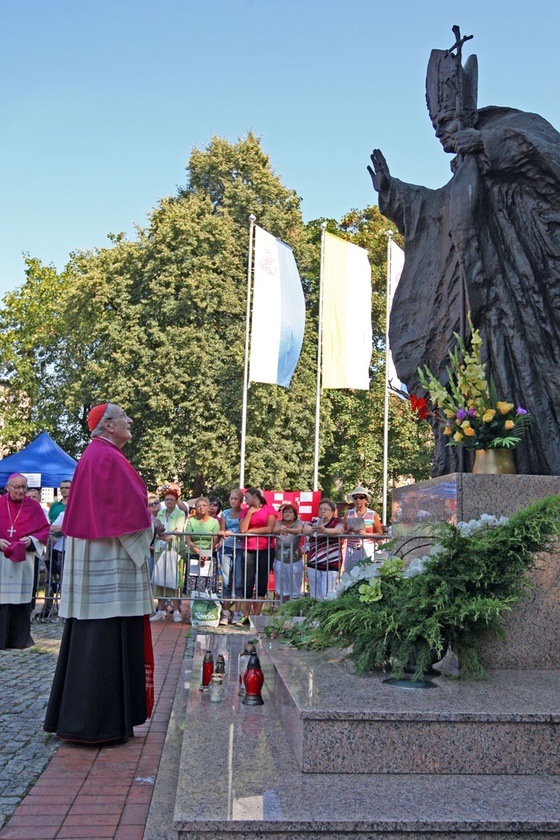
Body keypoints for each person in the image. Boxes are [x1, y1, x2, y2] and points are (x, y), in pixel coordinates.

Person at [368, 33, 560, 477]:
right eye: (438, 131)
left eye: (450, 127)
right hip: (466, 318)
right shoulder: (458, 178)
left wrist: (483, 145)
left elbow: (544, 160)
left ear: (469, 116)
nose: (444, 137)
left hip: (513, 307)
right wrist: (394, 194)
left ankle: (527, 466)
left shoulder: (505, 139)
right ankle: (468, 460)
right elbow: (435, 212)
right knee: (466, 384)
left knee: (518, 381)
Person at [44, 403, 154, 745]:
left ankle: (91, 719)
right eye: (125, 417)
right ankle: (100, 723)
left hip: (98, 558)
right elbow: (126, 516)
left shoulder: (97, 455)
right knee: (105, 637)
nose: (130, 420)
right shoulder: (106, 458)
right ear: (108, 426)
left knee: (93, 637)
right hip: (107, 563)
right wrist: (152, 528)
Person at [0, 473, 50, 649]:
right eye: (17, 487)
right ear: (8, 487)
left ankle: (20, 639)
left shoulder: (33, 507)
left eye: (24, 487)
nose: (21, 491)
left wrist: (32, 539)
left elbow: (44, 529)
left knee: (21, 599)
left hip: (23, 561)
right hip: (2, 561)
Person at [238, 488, 278, 625]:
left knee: (262, 581)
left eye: (247, 497)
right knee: (247, 582)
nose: (246, 500)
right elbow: (242, 530)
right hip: (248, 549)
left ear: (255, 496)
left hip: (266, 549)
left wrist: (252, 531)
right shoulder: (245, 510)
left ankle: (256, 615)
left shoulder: (269, 509)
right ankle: (246, 614)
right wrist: (250, 513)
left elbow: (270, 529)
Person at [150, 488, 187, 623]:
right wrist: (162, 537)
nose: (169, 502)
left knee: (175, 580)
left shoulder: (180, 514)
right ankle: (160, 610)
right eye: (167, 500)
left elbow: (178, 530)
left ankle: (176, 610)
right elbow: (155, 531)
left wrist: (167, 536)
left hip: (176, 550)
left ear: (176, 501)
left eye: (172, 499)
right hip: (161, 549)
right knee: (160, 580)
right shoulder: (160, 514)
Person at [303, 498, 344, 601]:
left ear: (332, 511)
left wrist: (325, 530)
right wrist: (314, 528)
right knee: (314, 594)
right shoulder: (314, 521)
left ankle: (326, 615)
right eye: (321, 509)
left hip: (331, 563)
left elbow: (340, 530)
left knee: (327, 593)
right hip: (314, 563)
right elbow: (305, 529)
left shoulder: (337, 521)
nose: (323, 511)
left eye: (326, 509)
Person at [184, 497, 220, 601]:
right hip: (194, 554)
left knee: (208, 584)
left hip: (209, 555)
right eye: (199, 506)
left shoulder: (214, 522)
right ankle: (193, 609)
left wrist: (205, 553)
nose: (202, 508)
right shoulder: (191, 521)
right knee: (193, 585)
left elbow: (215, 540)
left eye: (204, 505)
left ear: (208, 507)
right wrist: (199, 552)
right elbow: (188, 540)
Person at [218, 488, 244, 624]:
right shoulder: (225, 513)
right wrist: (223, 532)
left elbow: (244, 529)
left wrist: (233, 533)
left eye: (235, 498)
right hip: (226, 548)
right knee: (226, 581)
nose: (233, 501)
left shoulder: (244, 513)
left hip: (240, 548)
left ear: (240, 500)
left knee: (239, 581)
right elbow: (221, 529)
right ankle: (226, 612)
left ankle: (238, 612)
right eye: (231, 498)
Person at [344, 486, 383, 575]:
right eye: (355, 497)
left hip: (368, 548)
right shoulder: (348, 514)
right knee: (350, 575)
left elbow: (380, 533)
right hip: (351, 548)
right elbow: (342, 531)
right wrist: (348, 531)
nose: (358, 500)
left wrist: (367, 534)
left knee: (367, 575)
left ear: (366, 500)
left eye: (361, 497)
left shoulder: (373, 514)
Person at [273, 502, 304, 602]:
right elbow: (273, 530)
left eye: (290, 512)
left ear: (295, 514)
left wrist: (287, 530)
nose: (287, 514)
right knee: (281, 587)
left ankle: (293, 611)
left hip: (295, 559)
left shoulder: (298, 523)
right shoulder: (279, 523)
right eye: (285, 512)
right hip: (280, 558)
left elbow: (299, 530)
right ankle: (282, 610)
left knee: (295, 587)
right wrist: (280, 529)